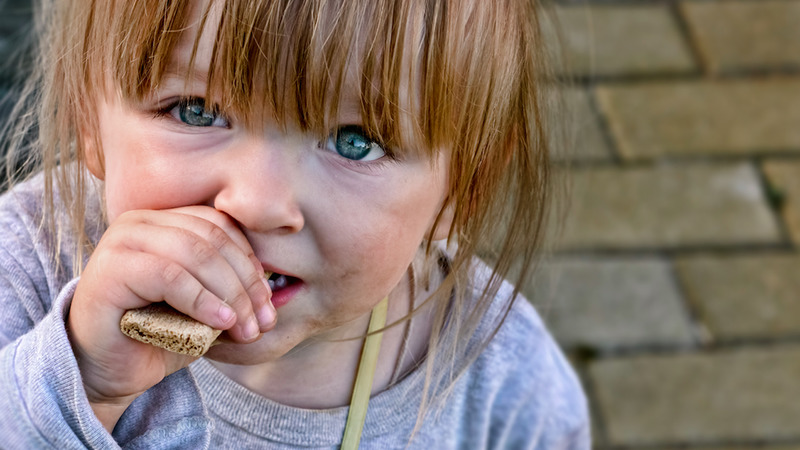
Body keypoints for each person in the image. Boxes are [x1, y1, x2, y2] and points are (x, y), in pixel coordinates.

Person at [0, 0, 589, 448]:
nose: (256, 203)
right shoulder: (26, 266)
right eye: (196, 110)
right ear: (87, 122)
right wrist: (81, 379)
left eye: (355, 142)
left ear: (463, 187)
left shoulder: (507, 390)